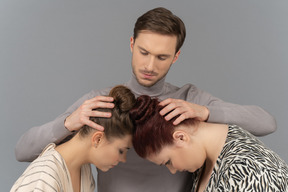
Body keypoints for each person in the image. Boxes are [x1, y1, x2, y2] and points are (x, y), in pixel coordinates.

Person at [15, 7, 277, 192]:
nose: (150, 65)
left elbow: (266, 123)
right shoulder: (104, 102)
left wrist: (205, 111)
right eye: (143, 52)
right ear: (131, 44)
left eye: (162, 57)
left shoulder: (188, 100)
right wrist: (68, 122)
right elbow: (22, 151)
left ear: (175, 57)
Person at [131, 95, 288, 191]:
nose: (173, 170)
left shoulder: (248, 169)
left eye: (168, 162)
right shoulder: (207, 161)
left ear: (181, 137)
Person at [11, 85, 136, 192]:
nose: (123, 159)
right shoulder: (44, 178)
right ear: (97, 139)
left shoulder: (84, 173)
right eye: (121, 150)